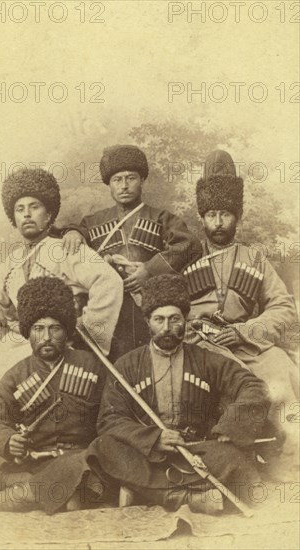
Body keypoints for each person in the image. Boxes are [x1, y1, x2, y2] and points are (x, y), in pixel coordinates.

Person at [95, 274, 270, 514]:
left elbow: (254, 386)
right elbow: (110, 419)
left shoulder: (206, 359)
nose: (166, 328)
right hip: (147, 453)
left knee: (235, 459)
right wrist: (154, 439)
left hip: (197, 451)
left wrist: (231, 425)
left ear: (185, 319)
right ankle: (186, 498)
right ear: (147, 321)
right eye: (159, 319)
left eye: (174, 319)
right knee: (104, 448)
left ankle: (144, 492)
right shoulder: (126, 365)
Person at [0, 168, 123, 435]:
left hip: (56, 339)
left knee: (5, 369)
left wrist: (84, 328)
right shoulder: (13, 259)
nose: (26, 214)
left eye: (34, 207)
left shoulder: (66, 248)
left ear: (49, 215)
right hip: (19, 338)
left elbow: (109, 282)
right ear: (13, 218)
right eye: (19, 209)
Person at [184, 150, 299, 452]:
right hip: (200, 346)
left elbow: (283, 307)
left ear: (237, 216)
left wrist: (245, 331)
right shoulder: (186, 258)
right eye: (211, 215)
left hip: (246, 342)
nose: (218, 222)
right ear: (202, 218)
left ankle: (288, 459)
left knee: (283, 370)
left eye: (225, 214)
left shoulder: (254, 258)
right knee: (241, 383)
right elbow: (165, 306)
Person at [0, 277, 112, 515]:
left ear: (66, 332)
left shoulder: (91, 366)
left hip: (79, 459)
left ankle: (7, 500)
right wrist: (9, 440)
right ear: (27, 332)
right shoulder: (16, 374)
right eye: (38, 329)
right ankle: (42, 493)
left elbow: (110, 418)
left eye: (55, 328)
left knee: (81, 466)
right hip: (34, 463)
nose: (46, 337)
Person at [64, 145, 202, 359]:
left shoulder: (161, 218)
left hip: (148, 308)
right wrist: (73, 232)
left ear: (143, 180)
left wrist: (149, 269)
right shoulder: (93, 222)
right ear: (109, 185)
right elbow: (71, 239)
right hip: (107, 311)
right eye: (117, 180)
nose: (124, 186)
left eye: (131, 178)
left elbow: (190, 246)